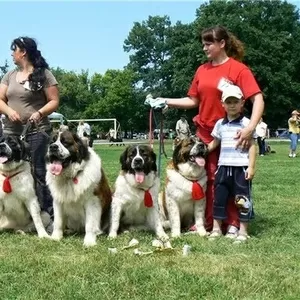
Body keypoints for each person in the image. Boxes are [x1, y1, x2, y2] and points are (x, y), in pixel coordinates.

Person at [145, 25, 264, 235]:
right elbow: (193, 100)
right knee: (209, 181)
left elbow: (257, 98)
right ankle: (209, 224)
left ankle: (235, 224)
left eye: (208, 43)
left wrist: (250, 129)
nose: (204, 48)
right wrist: (165, 101)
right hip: (205, 134)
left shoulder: (238, 69)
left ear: (222, 44)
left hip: (232, 135)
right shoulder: (202, 70)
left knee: (235, 180)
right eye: (203, 44)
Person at [0, 36, 59, 219]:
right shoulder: (9, 75)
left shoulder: (45, 74)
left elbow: (54, 101)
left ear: (23, 52)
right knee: (8, 171)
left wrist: (40, 113)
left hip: (36, 131)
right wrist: (9, 111)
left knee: (39, 172)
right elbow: (0, 99)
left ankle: (47, 214)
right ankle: (16, 214)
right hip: (11, 133)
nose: (11, 53)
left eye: (14, 49)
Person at [207, 85, 256, 242]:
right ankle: (216, 228)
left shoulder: (247, 124)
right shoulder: (220, 124)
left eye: (235, 101)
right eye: (228, 102)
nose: (232, 105)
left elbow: (253, 146)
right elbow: (214, 143)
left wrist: (251, 166)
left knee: (242, 200)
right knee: (219, 198)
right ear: (223, 104)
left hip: (241, 168)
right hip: (223, 168)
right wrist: (200, 151)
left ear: (242, 103)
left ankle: (242, 231)